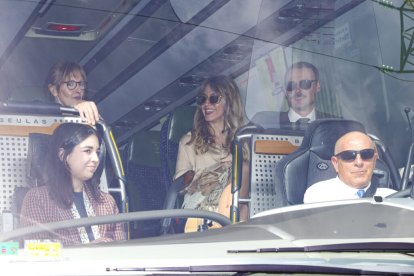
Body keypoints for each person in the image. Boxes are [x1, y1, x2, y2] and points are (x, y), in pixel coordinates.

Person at [20, 123, 125, 245]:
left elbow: (122, 249)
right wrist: (87, 250)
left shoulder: (107, 201)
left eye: (97, 152)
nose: (96, 159)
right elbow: (37, 250)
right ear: (63, 155)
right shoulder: (37, 198)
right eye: (87, 151)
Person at [174, 75, 249, 228]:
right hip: (201, 206)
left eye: (214, 98)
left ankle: (226, 225)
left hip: (238, 208)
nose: (206, 104)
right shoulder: (189, 142)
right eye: (202, 99)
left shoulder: (245, 139)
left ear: (229, 101)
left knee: (243, 170)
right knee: (242, 168)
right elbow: (180, 187)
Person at [303, 131, 397, 203]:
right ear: (335, 163)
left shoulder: (392, 198)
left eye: (366, 154)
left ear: (374, 159)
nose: (359, 162)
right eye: (348, 156)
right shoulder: (319, 195)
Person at [251, 61, 336, 127]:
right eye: (291, 85)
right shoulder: (264, 123)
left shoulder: (333, 125)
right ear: (285, 90)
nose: (297, 91)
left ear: (317, 86)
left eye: (305, 83)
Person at [46, 61, 100, 125]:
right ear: (54, 90)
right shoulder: (41, 114)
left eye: (81, 84)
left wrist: (92, 115)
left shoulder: (86, 116)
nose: (79, 90)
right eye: (71, 84)